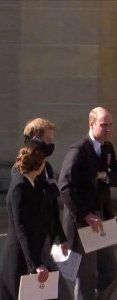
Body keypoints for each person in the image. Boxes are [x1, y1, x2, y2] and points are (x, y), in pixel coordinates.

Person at [0, 140, 71, 300]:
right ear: (39, 165)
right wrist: (35, 264)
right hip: (20, 261)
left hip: (36, 255)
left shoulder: (31, 186)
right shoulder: (19, 188)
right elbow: (22, 229)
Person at [58, 107, 117, 300]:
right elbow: (65, 187)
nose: (108, 129)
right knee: (87, 277)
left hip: (104, 219)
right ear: (92, 125)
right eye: (103, 125)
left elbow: (114, 176)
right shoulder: (78, 151)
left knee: (110, 271)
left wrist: (105, 176)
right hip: (84, 223)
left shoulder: (108, 148)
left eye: (110, 125)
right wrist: (85, 214)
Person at [23, 118, 68, 247]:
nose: (51, 144)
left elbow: (53, 206)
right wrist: (52, 189)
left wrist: (60, 237)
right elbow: (31, 200)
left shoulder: (47, 167)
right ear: (36, 139)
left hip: (48, 236)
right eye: (48, 140)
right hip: (34, 236)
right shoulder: (24, 168)